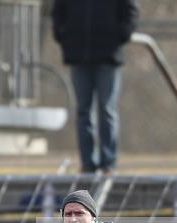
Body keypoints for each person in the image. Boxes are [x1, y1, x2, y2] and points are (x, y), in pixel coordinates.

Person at [52, 0, 139, 174]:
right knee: (83, 111)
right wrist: (64, 35)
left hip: (108, 55)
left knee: (107, 109)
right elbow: (58, 11)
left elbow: (130, 10)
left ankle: (108, 162)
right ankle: (87, 163)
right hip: (78, 54)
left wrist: (120, 34)